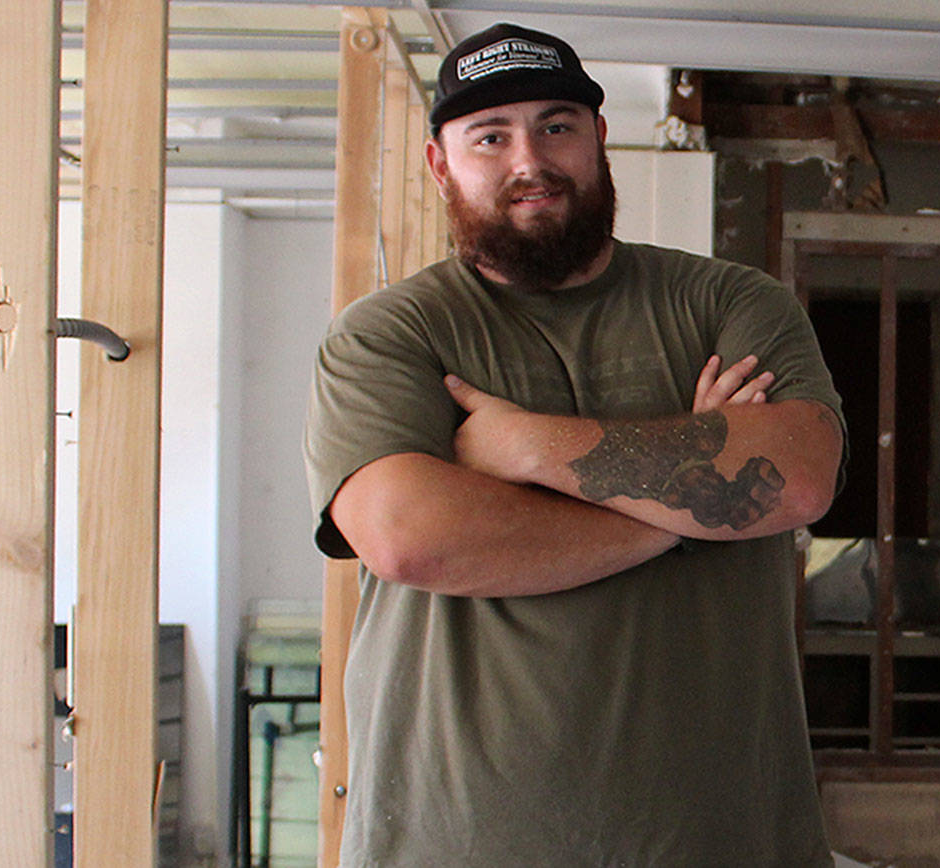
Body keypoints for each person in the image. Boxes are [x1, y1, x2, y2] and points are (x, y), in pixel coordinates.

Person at [303, 21, 845, 868]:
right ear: (440, 164)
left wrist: (522, 447)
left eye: (557, 125)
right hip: (454, 842)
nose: (531, 159)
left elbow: (801, 479)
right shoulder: (394, 334)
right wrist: (694, 509)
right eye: (491, 135)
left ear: (599, 140)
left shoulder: (729, 303)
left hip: (720, 838)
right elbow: (415, 538)